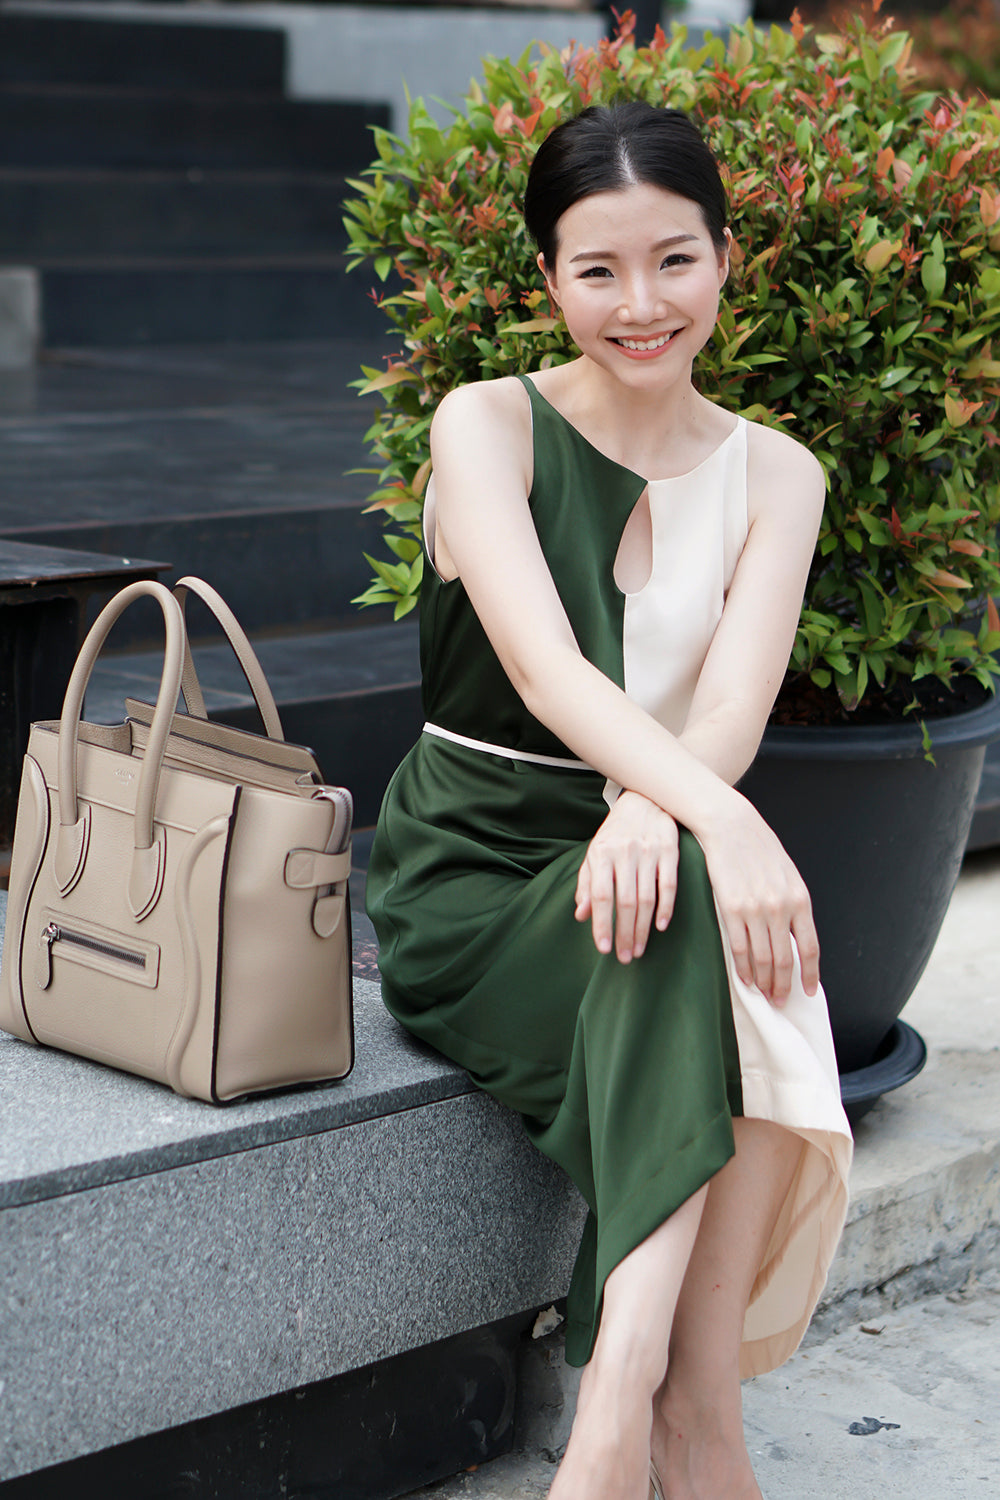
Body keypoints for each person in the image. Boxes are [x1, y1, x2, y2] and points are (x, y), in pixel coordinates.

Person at [366, 101, 853, 1500]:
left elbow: (734, 709)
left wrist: (662, 810)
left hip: (647, 856)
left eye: (674, 261)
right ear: (549, 281)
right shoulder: (487, 424)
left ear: (724, 259)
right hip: (476, 867)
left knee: (716, 923)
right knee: (732, 919)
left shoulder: (779, 474)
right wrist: (717, 817)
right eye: (598, 271)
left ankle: (641, 1420)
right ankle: (654, 1414)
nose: (641, 306)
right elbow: (544, 666)